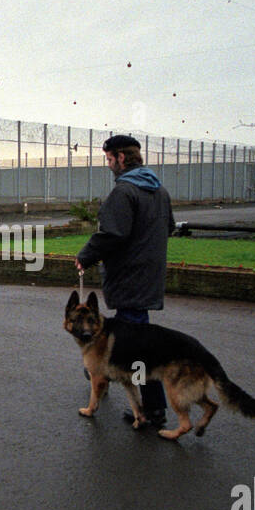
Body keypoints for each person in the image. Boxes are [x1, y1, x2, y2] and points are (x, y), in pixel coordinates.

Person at [74, 134, 176, 428]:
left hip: (130, 279)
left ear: (121, 157)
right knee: (137, 342)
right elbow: (166, 227)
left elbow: (113, 234)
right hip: (148, 278)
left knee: (138, 348)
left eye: (109, 159)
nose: (108, 165)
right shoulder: (160, 191)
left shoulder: (124, 192)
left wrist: (86, 255)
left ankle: (151, 409)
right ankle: (142, 401)